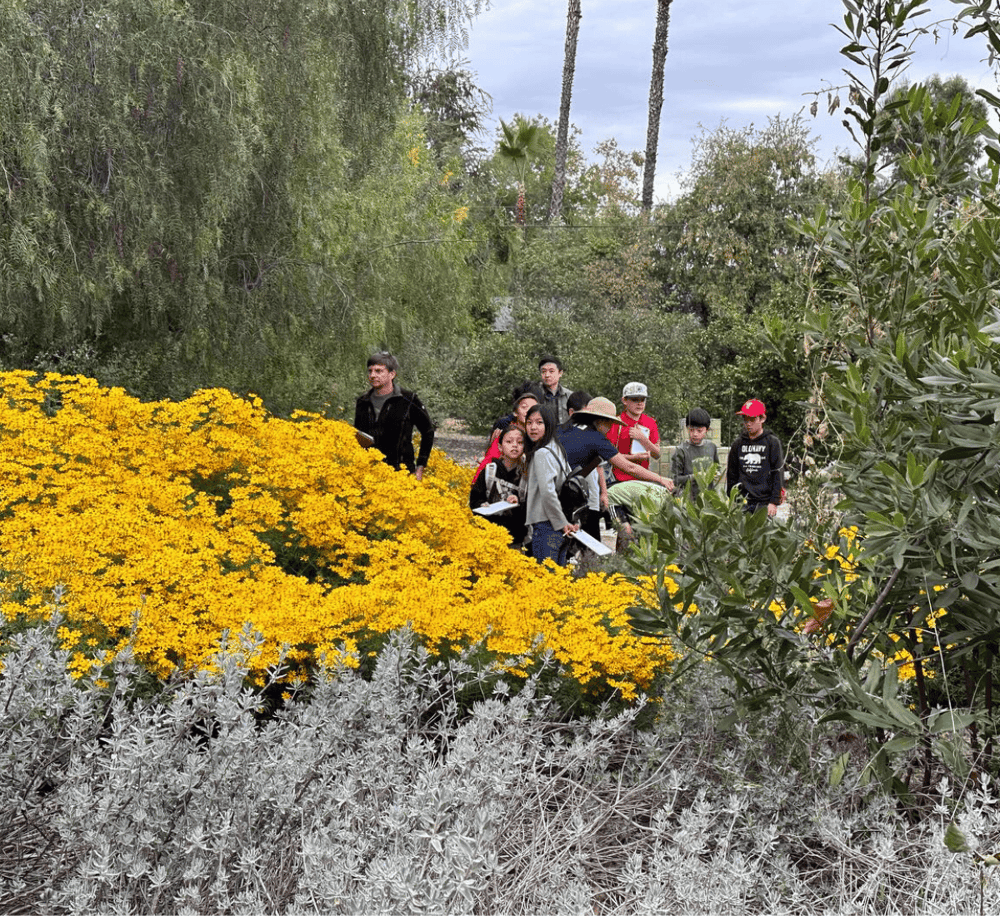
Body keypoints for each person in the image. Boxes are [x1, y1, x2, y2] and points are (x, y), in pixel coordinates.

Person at [557, 396, 674, 494]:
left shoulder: (561, 429)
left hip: (553, 484)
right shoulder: (596, 439)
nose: (611, 428)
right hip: (568, 490)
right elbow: (630, 468)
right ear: (601, 421)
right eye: (610, 423)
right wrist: (660, 479)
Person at [354, 352, 435, 480]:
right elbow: (359, 436)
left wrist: (420, 468)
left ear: (392, 374)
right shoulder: (363, 402)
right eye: (370, 371)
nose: (372, 375)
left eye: (378, 371)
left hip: (401, 474)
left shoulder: (409, 400)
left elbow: (428, 432)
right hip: (368, 474)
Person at [523, 404, 577, 564]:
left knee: (545, 576)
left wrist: (561, 523)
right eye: (529, 422)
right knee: (558, 575)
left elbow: (548, 492)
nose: (533, 427)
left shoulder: (542, 453)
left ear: (549, 424)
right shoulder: (557, 448)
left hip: (547, 524)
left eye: (539, 422)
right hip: (561, 523)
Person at [469, 425, 527, 547]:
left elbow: (533, 505)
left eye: (520, 442)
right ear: (500, 447)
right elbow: (474, 498)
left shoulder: (527, 474)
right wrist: (482, 504)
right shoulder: (490, 470)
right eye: (509, 442)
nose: (515, 445)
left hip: (515, 537)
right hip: (489, 534)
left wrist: (519, 501)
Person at [727, 398, 784, 516]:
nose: (748, 423)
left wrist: (773, 501)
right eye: (745, 419)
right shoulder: (737, 444)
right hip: (742, 502)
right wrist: (732, 498)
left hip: (764, 502)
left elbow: (777, 472)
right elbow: (732, 473)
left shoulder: (772, 442)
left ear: (762, 419)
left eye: (752, 419)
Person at [473, 388, 539, 483]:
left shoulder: (540, 436)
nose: (528, 411)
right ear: (515, 412)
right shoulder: (506, 434)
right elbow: (489, 461)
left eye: (533, 408)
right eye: (524, 407)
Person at [605, 382, 660, 484]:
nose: (639, 403)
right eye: (635, 399)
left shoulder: (651, 422)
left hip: (643, 480)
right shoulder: (616, 423)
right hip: (619, 481)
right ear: (624, 400)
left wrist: (643, 439)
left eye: (642, 399)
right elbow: (608, 456)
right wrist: (633, 458)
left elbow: (657, 454)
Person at [672, 407, 720, 500]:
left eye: (699, 431)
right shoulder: (681, 450)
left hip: (708, 499)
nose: (695, 434)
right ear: (687, 429)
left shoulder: (712, 447)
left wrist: (716, 474)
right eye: (691, 430)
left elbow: (717, 467)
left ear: (707, 430)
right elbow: (675, 480)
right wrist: (695, 477)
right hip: (687, 500)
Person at [537, 356, 573, 425]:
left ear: (560, 373)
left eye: (551, 371)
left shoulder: (569, 396)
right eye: (543, 371)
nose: (547, 375)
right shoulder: (535, 395)